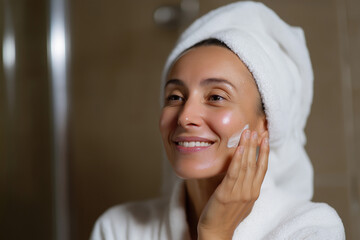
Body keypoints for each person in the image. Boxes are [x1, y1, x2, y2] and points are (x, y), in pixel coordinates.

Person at [90, 1, 345, 239]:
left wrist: (215, 232)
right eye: (175, 97)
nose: (186, 116)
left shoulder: (310, 228)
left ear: (266, 123)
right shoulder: (119, 228)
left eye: (216, 97)